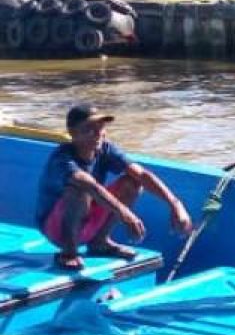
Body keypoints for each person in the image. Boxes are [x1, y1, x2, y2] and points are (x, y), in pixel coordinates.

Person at [36, 104, 193, 270]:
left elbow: (141, 175)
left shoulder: (105, 148)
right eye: (89, 129)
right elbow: (90, 185)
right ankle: (68, 253)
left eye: (101, 128)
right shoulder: (63, 158)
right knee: (80, 189)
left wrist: (175, 204)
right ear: (73, 133)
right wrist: (125, 214)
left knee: (132, 182)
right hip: (56, 227)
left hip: (87, 215)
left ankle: (100, 242)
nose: (98, 135)